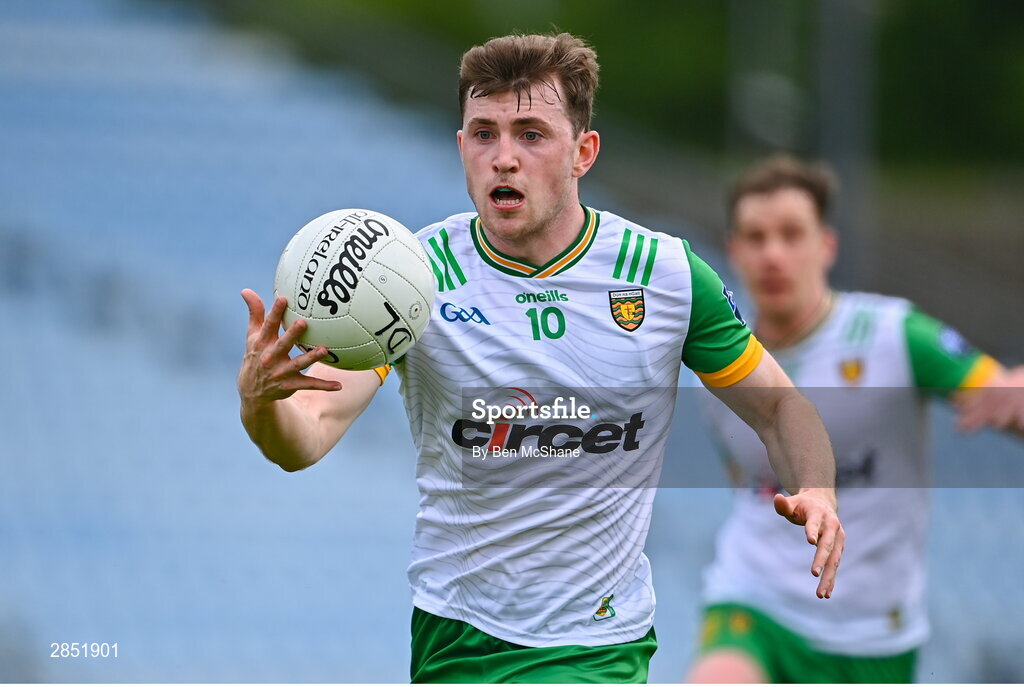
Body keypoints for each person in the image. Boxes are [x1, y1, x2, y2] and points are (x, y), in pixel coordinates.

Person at [237, 34, 843, 684]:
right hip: (459, 640)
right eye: (483, 134)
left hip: (600, 645)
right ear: (461, 146)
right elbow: (308, 434)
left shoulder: (663, 274)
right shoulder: (410, 277)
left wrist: (817, 486)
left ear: (583, 152)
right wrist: (261, 402)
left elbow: (780, 404)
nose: (503, 158)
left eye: (530, 134)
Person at [687, 154, 1024, 684]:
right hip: (754, 605)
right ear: (733, 250)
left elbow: (1000, 398)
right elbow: (749, 484)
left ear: (826, 246)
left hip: (874, 633)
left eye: (791, 234)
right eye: (755, 237)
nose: (773, 254)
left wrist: (1014, 396)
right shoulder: (721, 363)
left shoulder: (894, 335)